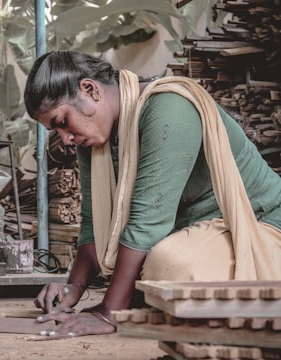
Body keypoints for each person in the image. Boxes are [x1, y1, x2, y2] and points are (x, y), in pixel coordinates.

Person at [23, 50, 281, 338]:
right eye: (55, 131)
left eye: (62, 122)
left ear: (90, 89)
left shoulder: (169, 107)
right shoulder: (93, 142)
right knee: (152, 266)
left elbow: (147, 224)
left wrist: (109, 314)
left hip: (260, 227)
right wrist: (73, 289)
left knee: (169, 264)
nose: (66, 139)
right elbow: (92, 224)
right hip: (197, 234)